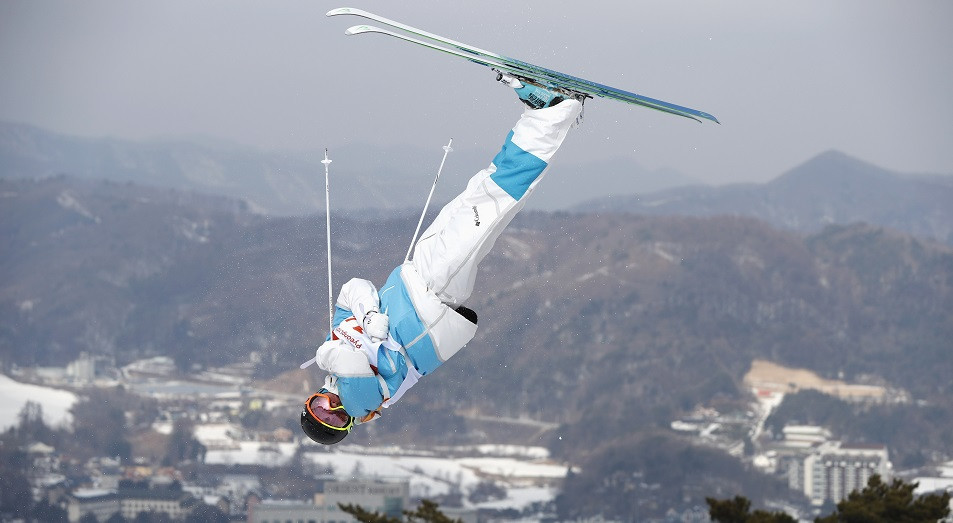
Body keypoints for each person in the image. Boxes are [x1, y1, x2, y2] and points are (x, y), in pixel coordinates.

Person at [300, 77, 584, 444]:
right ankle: (556, 111)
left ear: (313, 398)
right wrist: (326, 353)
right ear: (349, 424)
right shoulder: (362, 401)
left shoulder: (336, 343)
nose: (333, 408)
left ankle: (537, 116)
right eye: (335, 420)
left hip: (415, 273)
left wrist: (368, 314)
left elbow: (352, 289)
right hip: (431, 300)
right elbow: (347, 361)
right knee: (495, 202)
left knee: (481, 192)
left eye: (320, 408)